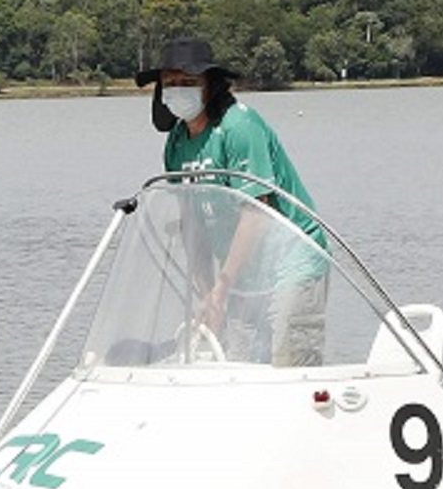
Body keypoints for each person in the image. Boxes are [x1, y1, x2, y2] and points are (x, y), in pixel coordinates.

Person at [135, 34, 330, 366]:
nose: (178, 88)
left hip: (291, 262)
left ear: (210, 85)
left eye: (189, 81)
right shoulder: (177, 143)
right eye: (170, 82)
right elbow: (191, 223)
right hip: (241, 273)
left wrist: (222, 289)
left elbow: (256, 210)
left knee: (289, 364)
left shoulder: (239, 126)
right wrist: (208, 293)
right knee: (237, 365)